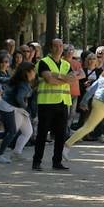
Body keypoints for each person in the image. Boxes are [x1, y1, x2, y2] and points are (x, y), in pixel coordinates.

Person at [64, 58, 104, 158]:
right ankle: (66, 146)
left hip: (98, 101)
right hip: (103, 104)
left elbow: (92, 88)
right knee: (88, 127)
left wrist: (84, 101)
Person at [32, 38, 74, 171]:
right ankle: (37, 162)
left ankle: (57, 162)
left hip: (62, 102)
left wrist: (58, 78)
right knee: (42, 133)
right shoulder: (43, 62)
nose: (59, 48)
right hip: (47, 102)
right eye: (55, 46)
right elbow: (49, 79)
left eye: (61, 46)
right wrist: (63, 79)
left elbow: (73, 79)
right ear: (50, 48)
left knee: (61, 134)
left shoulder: (66, 64)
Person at [0, 61, 36, 163]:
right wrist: (26, 108)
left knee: (23, 132)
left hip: (10, 107)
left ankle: (14, 153)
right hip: (9, 108)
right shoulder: (24, 85)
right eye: (33, 70)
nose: (35, 72)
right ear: (27, 72)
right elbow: (19, 98)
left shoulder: (19, 81)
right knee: (11, 132)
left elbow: (2, 79)